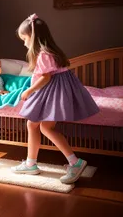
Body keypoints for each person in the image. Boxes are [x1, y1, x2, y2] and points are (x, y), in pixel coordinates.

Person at [11, 13, 99, 184]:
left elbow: (46, 78)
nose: (24, 42)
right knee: (34, 124)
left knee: (45, 127)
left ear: (33, 37)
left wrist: (29, 90)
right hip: (54, 90)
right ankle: (31, 163)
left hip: (52, 91)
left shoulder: (43, 54)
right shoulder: (50, 51)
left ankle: (75, 162)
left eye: (24, 38)